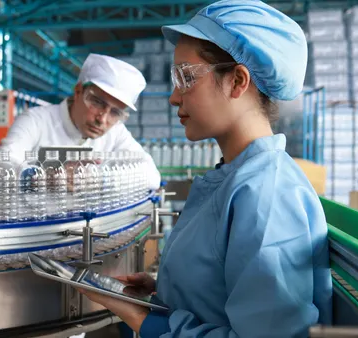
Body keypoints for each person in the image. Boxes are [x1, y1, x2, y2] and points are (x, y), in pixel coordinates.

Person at [78, 1, 333, 337]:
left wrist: (143, 318)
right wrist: (166, 289)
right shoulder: (234, 177)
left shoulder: (266, 195)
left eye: (186, 77)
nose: (173, 97)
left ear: (237, 81)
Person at [1, 53, 161, 190]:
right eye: (97, 102)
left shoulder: (116, 133)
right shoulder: (36, 121)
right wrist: (43, 178)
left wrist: (100, 179)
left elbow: (152, 176)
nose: (102, 119)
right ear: (78, 91)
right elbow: (2, 164)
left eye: (115, 112)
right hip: (35, 223)